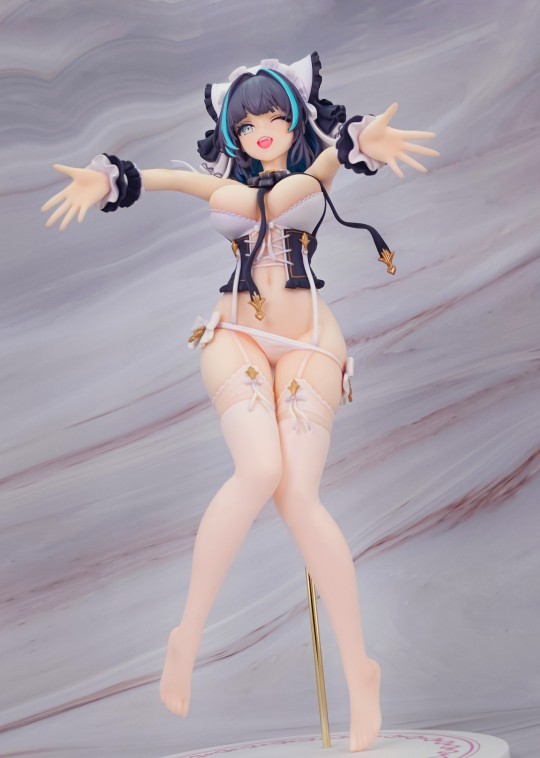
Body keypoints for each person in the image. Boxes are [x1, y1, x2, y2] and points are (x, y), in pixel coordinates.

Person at [41, 51, 438, 752]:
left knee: (300, 498)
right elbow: (159, 179)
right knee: (258, 471)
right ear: (232, 129)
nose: (261, 131)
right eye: (247, 123)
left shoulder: (314, 173)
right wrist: (108, 178)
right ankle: (186, 637)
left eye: (274, 118)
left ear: (295, 120)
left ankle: (360, 671)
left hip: (311, 340)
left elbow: (336, 156)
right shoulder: (228, 185)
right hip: (236, 335)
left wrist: (363, 139)